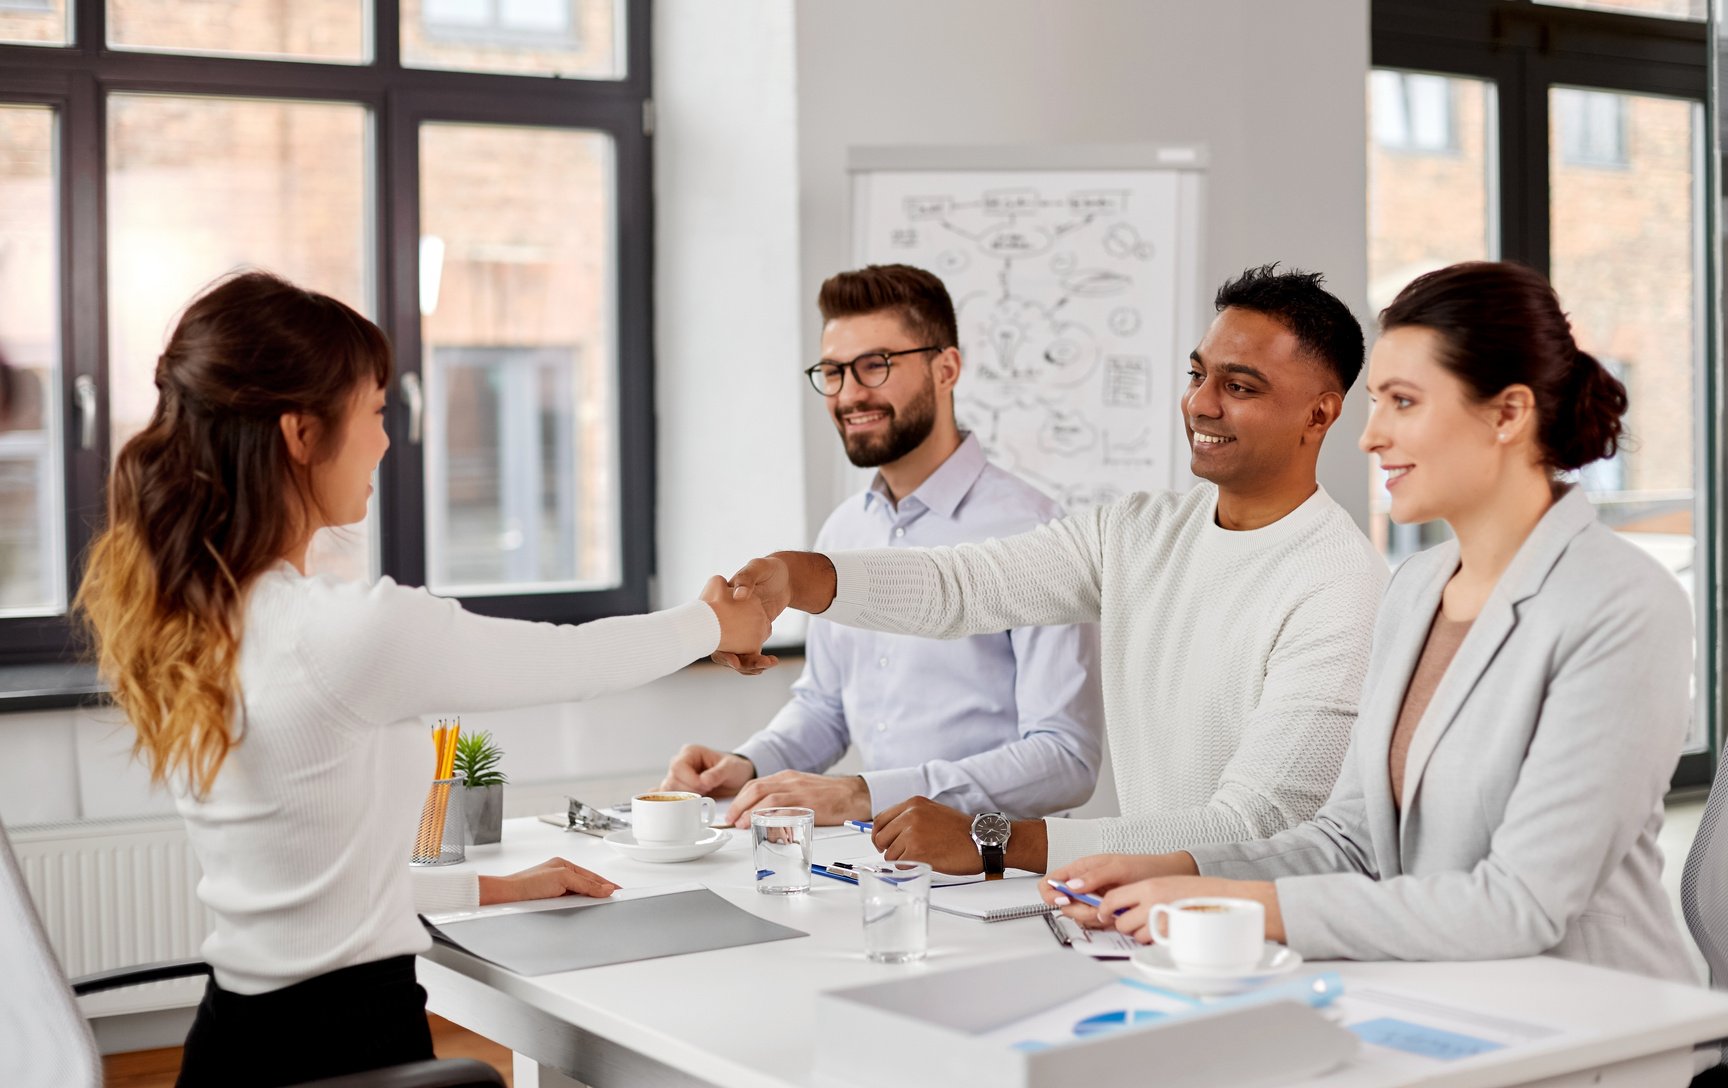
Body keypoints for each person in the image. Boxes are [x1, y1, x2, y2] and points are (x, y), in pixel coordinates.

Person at [74, 272, 772, 1086]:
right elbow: (569, 660)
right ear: (301, 434)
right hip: (346, 1046)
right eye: (374, 412)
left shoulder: (196, 616)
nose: (385, 441)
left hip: (235, 1046)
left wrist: (491, 887)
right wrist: (716, 624)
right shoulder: (343, 630)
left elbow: (303, 886)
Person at [1043, 261, 1697, 984]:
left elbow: (1519, 905)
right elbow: (1349, 842)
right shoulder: (1416, 588)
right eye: (1377, 401)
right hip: (1431, 990)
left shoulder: (1621, 604)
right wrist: (1168, 869)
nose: (1370, 435)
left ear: (1508, 414)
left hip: (1593, 1018)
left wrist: (1239, 903)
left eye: (1404, 403)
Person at [720, 265, 1388, 877]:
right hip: (1139, 905)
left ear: (1321, 413)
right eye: (1197, 375)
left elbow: (1251, 826)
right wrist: (793, 577)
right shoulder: (1137, 531)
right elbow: (961, 588)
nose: (1200, 404)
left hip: (1264, 934)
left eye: (1238, 386)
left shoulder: (1337, 582)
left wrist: (991, 838)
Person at [660, 265, 1104, 827]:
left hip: (997, 873)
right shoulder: (844, 532)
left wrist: (866, 794)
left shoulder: (1035, 530)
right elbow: (826, 708)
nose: (849, 394)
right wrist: (747, 766)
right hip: (878, 864)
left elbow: (1066, 758)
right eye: (833, 371)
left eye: (875, 366)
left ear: (947, 369)